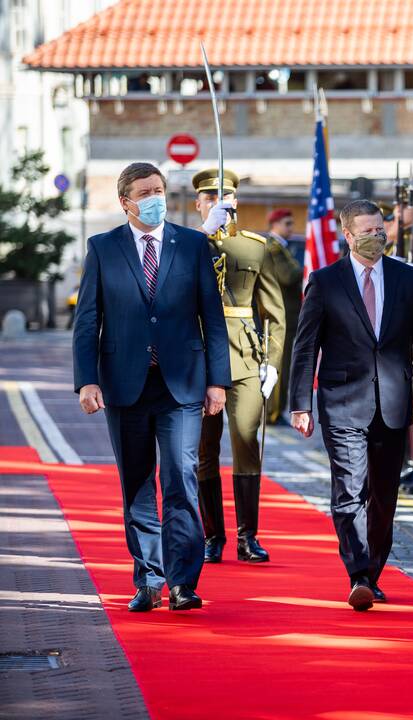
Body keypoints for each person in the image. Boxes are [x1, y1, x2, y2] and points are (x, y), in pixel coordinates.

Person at [72, 161, 230, 612]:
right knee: (137, 484)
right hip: (125, 385)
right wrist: (86, 380)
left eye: (158, 189)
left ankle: (183, 582)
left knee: (180, 478)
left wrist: (217, 381)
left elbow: (212, 319)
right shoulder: (102, 248)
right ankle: (149, 578)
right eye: (145, 192)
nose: (154, 197)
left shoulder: (193, 245)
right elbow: (88, 321)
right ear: (126, 202)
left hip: (182, 385)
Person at [289, 199, 413, 611]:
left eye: (380, 229)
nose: (376, 236)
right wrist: (300, 402)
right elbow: (305, 347)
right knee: (349, 488)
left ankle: (373, 571)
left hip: (392, 402)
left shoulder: (408, 279)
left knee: (383, 494)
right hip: (341, 402)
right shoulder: (325, 282)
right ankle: (357, 573)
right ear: (348, 234)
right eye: (367, 231)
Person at [191, 168, 286, 565]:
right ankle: (213, 535)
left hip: (244, 357)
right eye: (209, 198)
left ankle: (249, 535)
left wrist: (274, 362)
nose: (217, 204)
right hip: (198, 358)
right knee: (203, 451)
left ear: (235, 203)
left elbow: (275, 311)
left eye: (224, 198)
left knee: (247, 444)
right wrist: (204, 237)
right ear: (198, 204)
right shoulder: (185, 245)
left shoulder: (254, 247)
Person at [265, 208, 305, 424]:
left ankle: (277, 410)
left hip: (286, 314)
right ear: (276, 224)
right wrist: (307, 268)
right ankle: (273, 412)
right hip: (280, 315)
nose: (291, 228)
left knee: (283, 363)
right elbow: (288, 276)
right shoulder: (274, 248)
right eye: (288, 224)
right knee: (279, 364)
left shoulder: (282, 248)